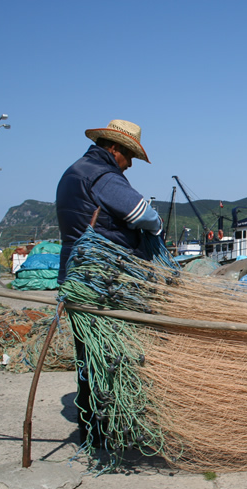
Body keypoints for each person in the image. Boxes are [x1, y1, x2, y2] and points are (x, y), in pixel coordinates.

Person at [56, 119, 162, 447]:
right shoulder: (102, 175)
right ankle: (108, 430)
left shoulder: (76, 171)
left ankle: (95, 429)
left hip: (80, 276)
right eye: (128, 156)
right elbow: (140, 212)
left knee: (91, 355)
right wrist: (156, 223)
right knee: (112, 355)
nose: (129, 165)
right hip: (104, 280)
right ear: (114, 148)